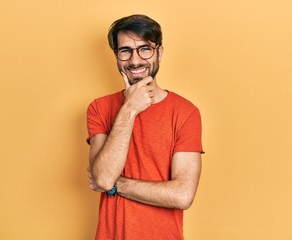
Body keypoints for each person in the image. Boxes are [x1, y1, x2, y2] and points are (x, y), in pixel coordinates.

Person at [86, 14, 204, 240]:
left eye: (145, 49)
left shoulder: (186, 112)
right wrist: (129, 109)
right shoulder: (99, 108)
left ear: (159, 52)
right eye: (125, 50)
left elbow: (182, 195)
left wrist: (114, 185)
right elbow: (101, 178)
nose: (135, 60)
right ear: (116, 56)